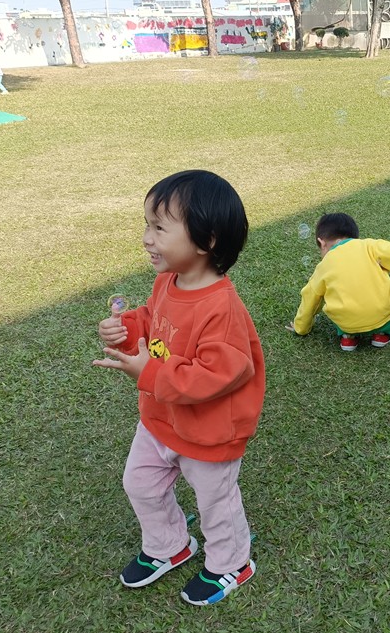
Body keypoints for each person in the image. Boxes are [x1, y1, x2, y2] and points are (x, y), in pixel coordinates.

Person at [93, 170, 264, 606]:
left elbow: (216, 374)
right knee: (140, 484)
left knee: (216, 503)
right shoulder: (167, 282)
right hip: (160, 419)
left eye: (159, 227)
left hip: (209, 432)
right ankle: (170, 544)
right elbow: (152, 322)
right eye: (146, 225)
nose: (146, 238)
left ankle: (232, 562)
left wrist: (148, 374)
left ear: (207, 240)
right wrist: (126, 329)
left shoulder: (222, 308)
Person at [287, 212, 390, 351]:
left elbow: (310, 299)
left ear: (322, 243)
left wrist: (301, 328)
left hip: (346, 323)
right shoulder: (369, 245)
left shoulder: (323, 266)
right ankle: (383, 334)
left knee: (335, 296)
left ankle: (348, 338)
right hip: (382, 315)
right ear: (355, 236)